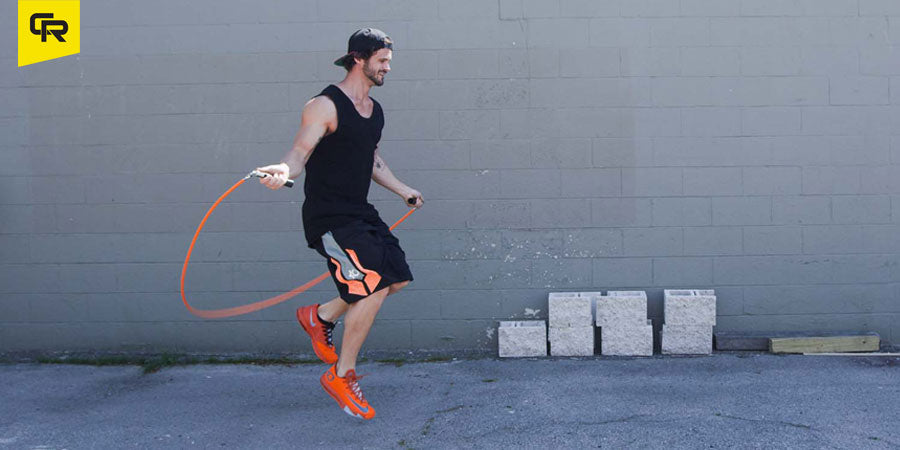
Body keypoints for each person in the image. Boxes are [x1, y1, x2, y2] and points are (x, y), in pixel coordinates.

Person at [254, 28, 423, 420]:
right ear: (358, 59)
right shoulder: (324, 105)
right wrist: (283, 170)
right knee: (372, 284)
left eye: (389, 63)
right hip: (329, 217)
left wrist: (403, 190)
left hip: (359, 211)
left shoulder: (374, 111)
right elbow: (300, 151)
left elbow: (372, 160)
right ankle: (341, 375)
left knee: (396, 278)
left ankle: (322, 316)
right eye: (382, 61)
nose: (387, 69)